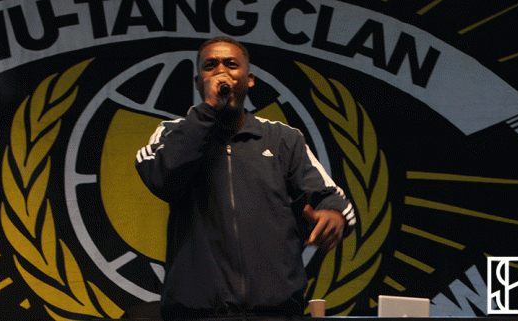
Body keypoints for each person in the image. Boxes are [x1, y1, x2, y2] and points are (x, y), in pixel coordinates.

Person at [135, 36, 356, 320]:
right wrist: (206, 112)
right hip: (196, 313)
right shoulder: (171, 134)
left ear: (249, 79)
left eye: (231, 64)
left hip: (275, 313)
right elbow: (162, 179)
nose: (221, 71)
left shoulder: (283, 139)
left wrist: (334, 216)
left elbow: (332, 197)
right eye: (210, 66)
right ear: (198, 82)